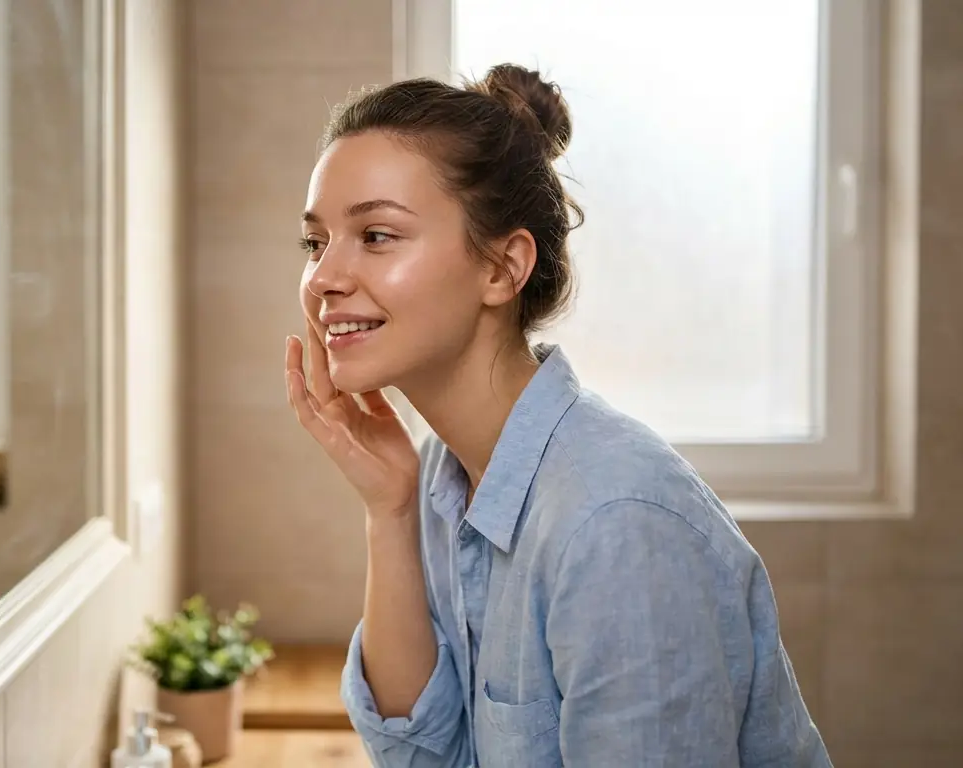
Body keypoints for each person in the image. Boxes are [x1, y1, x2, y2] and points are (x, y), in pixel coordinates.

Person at [283, 63, 832, 767]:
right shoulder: (441, 483)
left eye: (378, 235)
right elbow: (428, 757)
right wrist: (388, 511)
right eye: (314, 241)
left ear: (501, 269)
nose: (324, 276)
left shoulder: (616, 523)